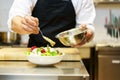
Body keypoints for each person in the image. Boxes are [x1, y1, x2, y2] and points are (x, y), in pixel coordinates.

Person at [7, 0, 96, 47]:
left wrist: (86, 35)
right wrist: (24, 24)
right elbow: (14, 21)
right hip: (35, 54)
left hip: (67, 55)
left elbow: (88, 27)